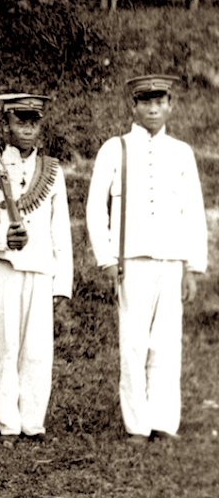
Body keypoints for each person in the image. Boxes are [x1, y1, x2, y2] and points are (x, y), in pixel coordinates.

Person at [85, 75, 207, 444]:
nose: (153, 108)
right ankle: (137, 424)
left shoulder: (181, 152)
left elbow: (194, 211)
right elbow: (95, 207)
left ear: (171, 105)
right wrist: (107, 257)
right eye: (145, 102)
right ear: (133, 106)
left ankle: (164, 422)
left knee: (167, 344)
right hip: (131, 261)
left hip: (171, 261)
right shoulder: (115, 148)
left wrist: (193, 266)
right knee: (134, 343)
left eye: (160, 101)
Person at [0, 93, 72, 447]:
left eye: (33, 122)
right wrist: (2, 237)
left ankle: (33, 422)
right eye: (20, 121)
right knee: (7, 346)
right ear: (5, 124)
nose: (27, 129)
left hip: (41, 267)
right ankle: (9, 423)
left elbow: (61, 230)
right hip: (6, 267)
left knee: (38, 349)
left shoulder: (53, 171)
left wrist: (63, 283)